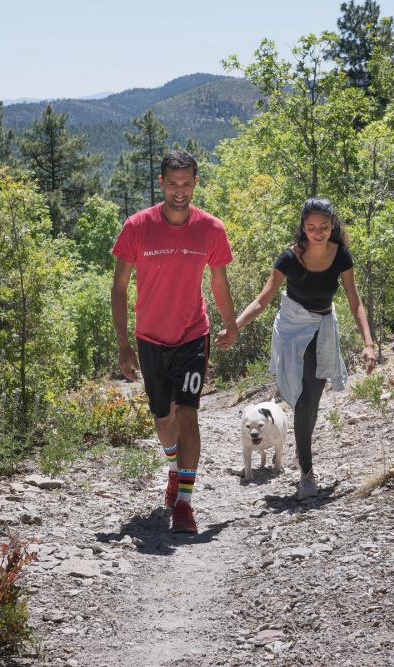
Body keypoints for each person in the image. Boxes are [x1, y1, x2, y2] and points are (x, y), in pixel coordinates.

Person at [111, 149, 238, 534]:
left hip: (192, 335)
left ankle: (184, 503)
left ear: (195, 182)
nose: (179, 191)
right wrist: (123, 345)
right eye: (172, 184)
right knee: (164, 420)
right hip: (150, 338)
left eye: (186, 184)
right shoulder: (137, 226)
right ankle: (173, 468)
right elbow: (118, 288)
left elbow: (219, 282)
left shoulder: (211, 229)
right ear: (161, 183)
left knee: (188, 415)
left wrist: (231, 325)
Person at [217, 197, 376, 500]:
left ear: (333, 227)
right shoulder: (289, 258)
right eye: (312, 227)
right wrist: (235, 327)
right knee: (301, 400)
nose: (318, 232)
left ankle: (302, 451)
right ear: (303, 227)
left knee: (312, 401)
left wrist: (368, 343)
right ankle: (307, 472)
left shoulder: (340, 256)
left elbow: (355, 301)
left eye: (325, 227)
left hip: (322, 329)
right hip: (291, 330)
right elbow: (262, 300)